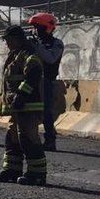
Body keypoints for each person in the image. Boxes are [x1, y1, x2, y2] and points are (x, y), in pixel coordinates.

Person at [0, 25, 47, 186]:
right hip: (17, 107)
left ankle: (37, 174)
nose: (6, 43)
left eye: (8, 40)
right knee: (12, 138)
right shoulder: (15, 55)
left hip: (28, 105)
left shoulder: (29, 54)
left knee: (28, 138)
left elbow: (34, 74)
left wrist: (22, 95)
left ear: (16, 39)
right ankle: (12, 170)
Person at [29, 12, 64, 151]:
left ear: (47, 28)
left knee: (47, 113)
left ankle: (50, 139)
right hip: (33, 81)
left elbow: (50, 58)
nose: (36, 30)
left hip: (47, 82)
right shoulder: (36, 42)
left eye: (39, 27)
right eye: (35, 28)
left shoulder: (56, 43)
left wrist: (37, 46)